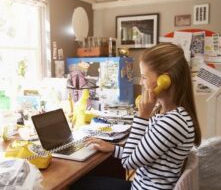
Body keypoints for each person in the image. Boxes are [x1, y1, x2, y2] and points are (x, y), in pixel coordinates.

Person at [70, 43, 201, 190]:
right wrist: (113, 149)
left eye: (144, 77)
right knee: (86, 182)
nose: (140, 82)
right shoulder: (169, 114)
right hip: (142, 185)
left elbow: (129, 162)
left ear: (165, 81)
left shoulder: (172, 122)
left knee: (77, 185)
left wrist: (142, 116)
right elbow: (142, 152)